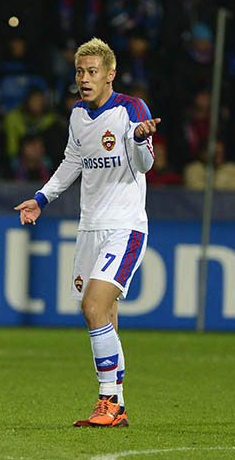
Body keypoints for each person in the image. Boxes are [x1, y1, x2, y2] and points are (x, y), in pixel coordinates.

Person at [14, 37, 159, 428]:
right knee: (105, 314)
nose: (84, 78)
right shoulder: (78, 114)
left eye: (92, 71)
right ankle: (120, 407)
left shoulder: (131, 109)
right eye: (80, 71)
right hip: (89, 228)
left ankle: (107, 400)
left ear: (110, 75)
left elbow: (145, 165)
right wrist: (41, 199)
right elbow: (72, 161)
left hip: (125, 227)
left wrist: (143, 139)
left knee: (92, 307)